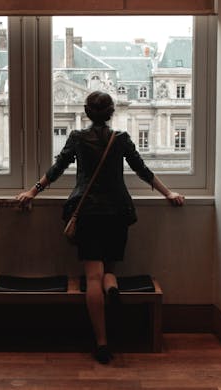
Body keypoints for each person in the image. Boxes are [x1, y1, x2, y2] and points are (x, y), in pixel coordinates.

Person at [16, 91, 184, 364]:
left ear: (86, 112)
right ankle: (112, 288)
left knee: (92, 275)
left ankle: (102, 343)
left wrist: (32, 192)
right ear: (111, 112)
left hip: (88, 212)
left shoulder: (77, 139)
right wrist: (169, 194)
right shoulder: (121, 140)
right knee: (109, 268)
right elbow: (143, 171)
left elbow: (57, 169)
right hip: (117, 212)